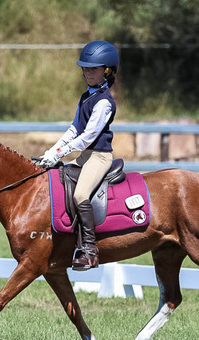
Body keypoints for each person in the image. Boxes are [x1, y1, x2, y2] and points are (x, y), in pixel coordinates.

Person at [38, 40, 119, 271]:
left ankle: (90, 251)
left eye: (93, 69)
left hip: (99, 157)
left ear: (107, 70)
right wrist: (51, 153)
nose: (87, 73)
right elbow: (74, 130)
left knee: (81, 193)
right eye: (85, 68)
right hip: (85, 156)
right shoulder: (86, 96)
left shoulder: (104, 102)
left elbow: (87, 137)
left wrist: (61, 153)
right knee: (58, 178)